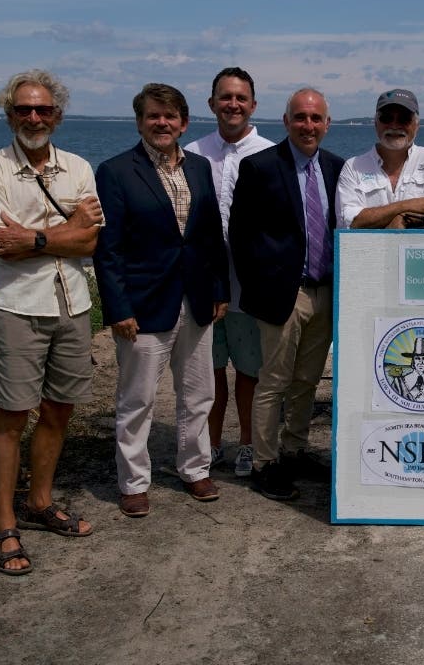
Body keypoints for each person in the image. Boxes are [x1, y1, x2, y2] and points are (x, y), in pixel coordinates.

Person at [0, 69, 103, 575]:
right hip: (18, 305)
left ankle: (39, 501)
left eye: (43, 109)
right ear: (9, 114)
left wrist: (40, 237)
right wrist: (67, 228)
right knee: (12, 416)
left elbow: (91, 242)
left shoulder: (77, 167)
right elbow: (0, 243)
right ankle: (4, 524)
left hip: (71, 302)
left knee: (58, 410)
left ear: (58, 115)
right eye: (24, 109)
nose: (34, 117)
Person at [94, 83, 230, 518]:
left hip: (197, 299)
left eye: (170, 117)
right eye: (154, 116)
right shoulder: (116, 171)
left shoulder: (201, 168)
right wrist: (118, 309)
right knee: (137, 400)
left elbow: (211, 238)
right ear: (140, 121)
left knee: (198, 394)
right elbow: (107, 249)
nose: (162, 123)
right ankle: (133, 482)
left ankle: (195, 468)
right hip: (144, 305)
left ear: (184, 123)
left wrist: (220, 291)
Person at [228, 87, 346, 501]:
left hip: (326, 291)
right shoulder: (260, 167)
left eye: (316, 119)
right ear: (286, 121)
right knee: (273, 382)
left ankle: (295, 450)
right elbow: (240, 237)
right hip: (284, 295)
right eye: (300, 118)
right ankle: (265, 462)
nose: (308, 126)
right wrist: (261, 289)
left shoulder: (338, 168)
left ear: (327, 124)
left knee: (307, 380)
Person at [184, 68, 274, 477]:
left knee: (250, 372)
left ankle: (249, 445)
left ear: (253, 105)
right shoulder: (192, 152)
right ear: (211, 104)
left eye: (241, 98)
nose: (233, 104)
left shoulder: (272, 153)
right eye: (225, 97)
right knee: (210, 370)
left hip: (250, 286)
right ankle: (213, 443)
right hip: (204, 284)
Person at [335, 88, 424, 228]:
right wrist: (406, 206)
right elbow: (348, 222)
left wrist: (403, 219)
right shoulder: (353, 167)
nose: (395, 125)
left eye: (404, 119)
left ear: (417, 126)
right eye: (387, 118)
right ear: (375, 123)